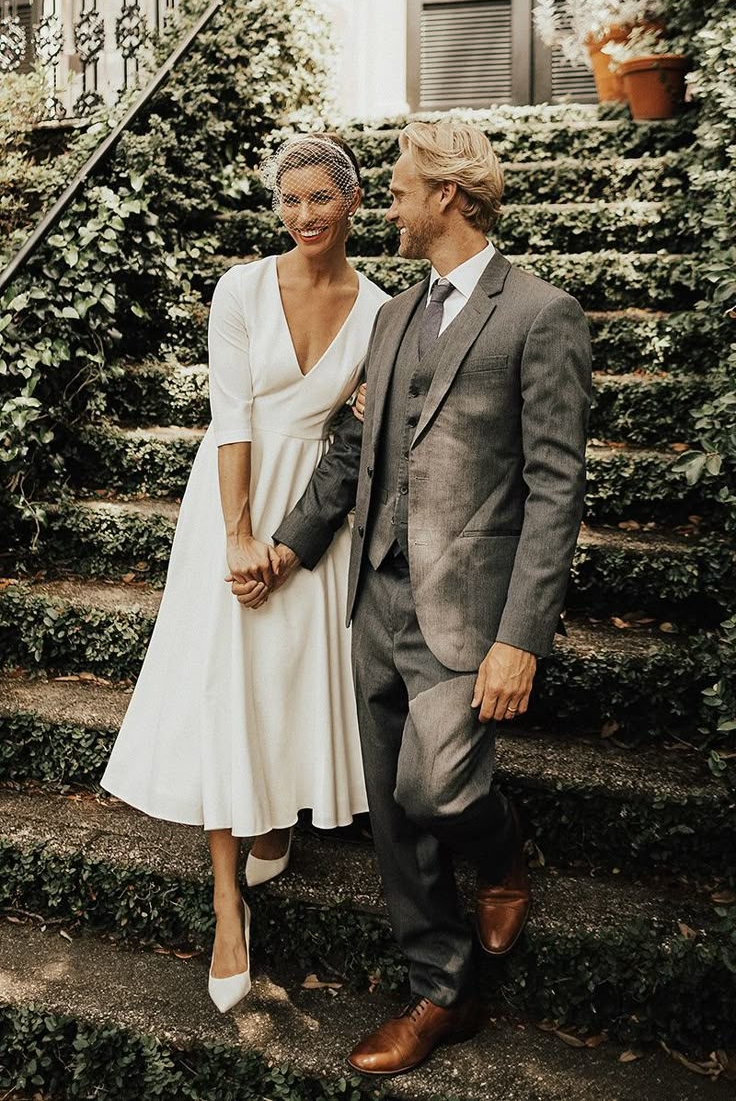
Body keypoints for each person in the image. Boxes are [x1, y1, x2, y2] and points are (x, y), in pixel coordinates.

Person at [242, 119, 591, 1074]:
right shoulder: (394, 316)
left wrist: (522, 635)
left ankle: (505, 846)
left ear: (445, 195)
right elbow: (356, 451)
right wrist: (286, 546)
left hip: (469, 609)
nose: (384, 205)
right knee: (392, 813)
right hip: (377, 594)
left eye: (397, 189)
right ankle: (440, 990)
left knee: (436, 786)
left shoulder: (539, 314)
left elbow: (557, 486)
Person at [101, 133, 389, 1013]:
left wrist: (291, 541)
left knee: (287, 678)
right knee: (227, 684)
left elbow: (360, 436)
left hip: (313, 520)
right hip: (233, 493)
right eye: (289, 200)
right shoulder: (240, 288)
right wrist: (236, 534)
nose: (304, 215)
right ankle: (228, 908)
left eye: (320, 199)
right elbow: (232, 416)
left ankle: (274, 815)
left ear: (352, 202)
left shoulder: (383, 310)